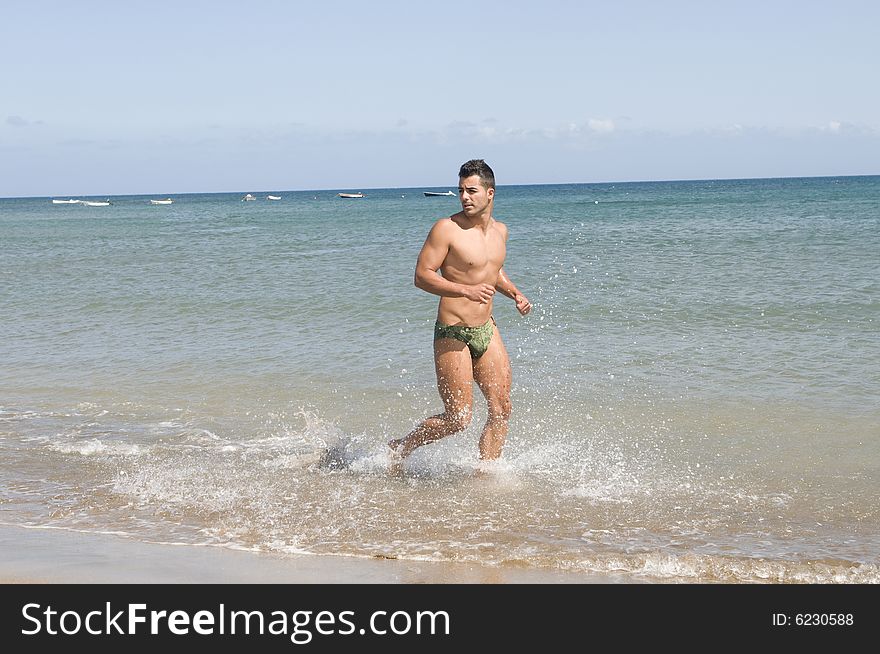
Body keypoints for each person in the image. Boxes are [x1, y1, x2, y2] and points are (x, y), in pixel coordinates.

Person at [388, 159, 531, 472]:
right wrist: (464, 291)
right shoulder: (446, 229)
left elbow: (491, 270)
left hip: (486, 329)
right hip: (453, 332)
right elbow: (422, 275)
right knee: (458, 418)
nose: (465, 197)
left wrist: (515, 294)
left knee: (501, 408)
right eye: (461, 191)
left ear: (489, 194)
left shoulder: (500, 232)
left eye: (472, 190)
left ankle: (486, 476)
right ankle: (401, 446)